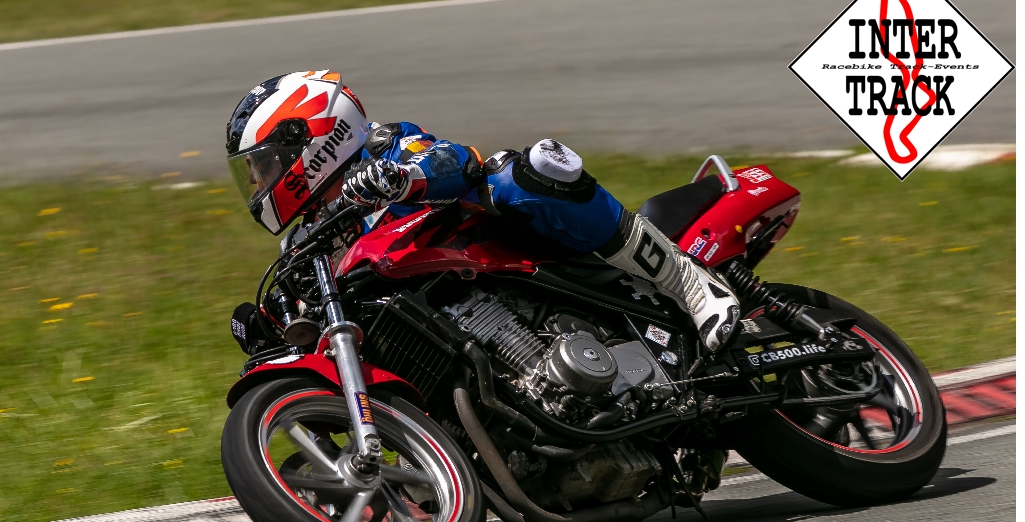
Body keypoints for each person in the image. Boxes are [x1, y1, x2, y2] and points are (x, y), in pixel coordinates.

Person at [226, 70, 739, 352]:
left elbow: (456, 162)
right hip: (447, 334)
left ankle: (686, 280)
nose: (258, 182)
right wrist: (265, 324)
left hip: (512, 261)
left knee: (518, 173)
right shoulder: (308, 241)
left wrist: (402, 178)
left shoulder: (385, 149)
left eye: (264, 165)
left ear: (313, 140)